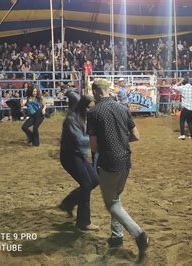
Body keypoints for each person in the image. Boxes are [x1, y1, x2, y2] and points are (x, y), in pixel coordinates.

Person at [87, 78, 150, 258]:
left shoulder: (94, 112)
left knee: (112, 203)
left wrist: (107, 145)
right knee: (116, 198)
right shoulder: (123, 109)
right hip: (125, 161)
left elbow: (93, 146)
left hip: (108, 162)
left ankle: (139, 235)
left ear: (96, 92)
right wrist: (120, 141)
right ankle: (116, 235)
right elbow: (135, 136)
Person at [57, 95, 99, 231]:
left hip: (78, 154)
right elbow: (80, 140)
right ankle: (83, 222)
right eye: (88, 107)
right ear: (82, 106)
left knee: (94, 180)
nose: (90, 110)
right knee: (86, 184)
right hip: (70, 156)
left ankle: (68, 203)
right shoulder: (71, 119)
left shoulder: (82, 118)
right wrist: (97, 138)